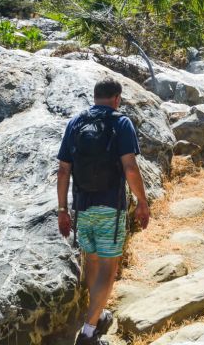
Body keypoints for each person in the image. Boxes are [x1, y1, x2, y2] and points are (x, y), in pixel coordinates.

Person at [57, 78, 151, 345]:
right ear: (117, 98)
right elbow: (130, 168)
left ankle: (96, 315)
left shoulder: (76, 123)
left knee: (93, 261)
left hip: (83, 206)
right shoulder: (120, 123)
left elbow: (63, 170)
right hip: (110, 205)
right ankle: (87, 334)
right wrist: (142, 201)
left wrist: (62, 209)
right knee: (109, 268)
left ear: (95, 96)